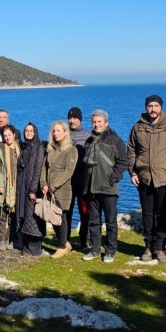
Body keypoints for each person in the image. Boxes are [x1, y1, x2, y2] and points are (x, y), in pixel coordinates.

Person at [127, 94, 166, 262]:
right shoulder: (138, 127)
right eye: (150, 106)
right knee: (147, 214)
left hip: (165, 178)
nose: (153, 109)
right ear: (146, 107)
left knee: (163, 213)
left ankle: (160, 247)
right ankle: (148, 246)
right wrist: (132, 172)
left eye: (156, 106)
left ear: (161, 107)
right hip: (144, 178)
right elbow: (131, 151)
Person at [81, 110, 128, 263]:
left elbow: (123, 162)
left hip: (108, 189)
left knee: (111, 222)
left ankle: (110, 251)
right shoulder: (89, 141)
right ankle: (94, 249)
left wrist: (112, 179)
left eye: (100, 121)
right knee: (93, 221)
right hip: (92, 189)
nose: (97, 124)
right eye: (94, 122)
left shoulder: (116, 141)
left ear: (106, 123)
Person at [41, 120, 79, 259]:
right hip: (49, 189)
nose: (55, 133)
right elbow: (44, 168)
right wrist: (43, 184)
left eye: (58, 130)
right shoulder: (50, 149)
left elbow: (68, 171)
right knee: (52, 217)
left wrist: (53, 186)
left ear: (65, 132)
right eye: (54, 131)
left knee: (61, 217)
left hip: (62, 189)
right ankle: (65, 243)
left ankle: (62, 247)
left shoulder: (71, 150)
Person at [0, 109, 21, 237]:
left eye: (3, 117)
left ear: (8, 118)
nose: (1, 119)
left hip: (13, 179)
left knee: (12, 208)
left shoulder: (16, 133)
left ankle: (12, 234)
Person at [18, 123, 47, 256]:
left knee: (33, 216)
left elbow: (38, 170)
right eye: (26, 131)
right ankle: (26, 244)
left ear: (35, 132)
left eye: (31, 131)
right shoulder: (25, 147)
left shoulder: (39, 147)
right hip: (24, 185)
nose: (28, 133)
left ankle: (34, 247)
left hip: (32, 187)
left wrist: (33, 190)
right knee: (25, 215)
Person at [0, 125, 20, 251]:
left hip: (16, 186)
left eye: (9, 135)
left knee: (14, 215)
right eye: (5, 135)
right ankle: (2, 239)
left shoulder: (20, 148)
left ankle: (11, 238)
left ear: (14, 135)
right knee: (2, 214)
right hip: (4, 185)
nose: (7, 137)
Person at [68, 107, 90, 250]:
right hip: (68, 181)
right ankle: (65, 240)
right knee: (66, 212)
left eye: (75, 118)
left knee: (84, 212)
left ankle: (84, 241)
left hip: (83, 181)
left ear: (80, 119)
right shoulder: (64, 134)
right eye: (70, 118)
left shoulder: (88, 135)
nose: (72, 120)